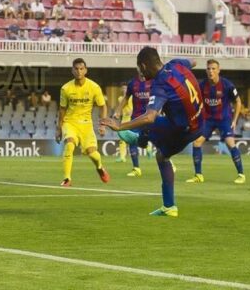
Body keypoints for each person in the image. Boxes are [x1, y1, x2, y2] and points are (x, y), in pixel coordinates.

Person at [101, 47, 204, 217]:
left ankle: (139, 141)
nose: (141, 73)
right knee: (161, 156)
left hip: (183, 129)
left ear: (144, 65)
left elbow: (149, 117)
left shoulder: (160, 84)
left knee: (148, 121)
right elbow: (194, 62)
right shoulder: (177, 64)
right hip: (199, 122)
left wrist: (120, 126)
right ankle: (169, 207)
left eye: (140, 68)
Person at [187, 60, 245, 184]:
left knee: (230, 143)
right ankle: (198, 175)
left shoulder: (227, 85)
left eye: (213, 69)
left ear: (219, 70)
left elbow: (238, 102)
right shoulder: (202, 85)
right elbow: (197, 102)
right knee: (196, 143)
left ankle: (241, 174)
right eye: (208, 69)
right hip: (208, 120)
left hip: (224, 119)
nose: (211, 71)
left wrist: (234, 120)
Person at [56, 58, 109, 187]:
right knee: (69, 145)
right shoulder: (66, 88)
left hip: (86, 124)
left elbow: (102, 106)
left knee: (93, 154)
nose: (79, 71)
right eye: (76, 69)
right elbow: (62, 109)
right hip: (70, 122)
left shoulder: (94, 87)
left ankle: (100, 167)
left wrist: (102, 124)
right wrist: (59, 128)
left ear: (86, 70)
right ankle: (67, 178)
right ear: (72, 71)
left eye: (81, 69)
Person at [113, 74, 154, 177]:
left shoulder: (154, 81)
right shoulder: (133, 84)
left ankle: (169, 164)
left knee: (160, 141)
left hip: (150, 117)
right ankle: (136, 168)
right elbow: (126, 98)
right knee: (131, 141)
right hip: (135, 119)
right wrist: (118, 111)